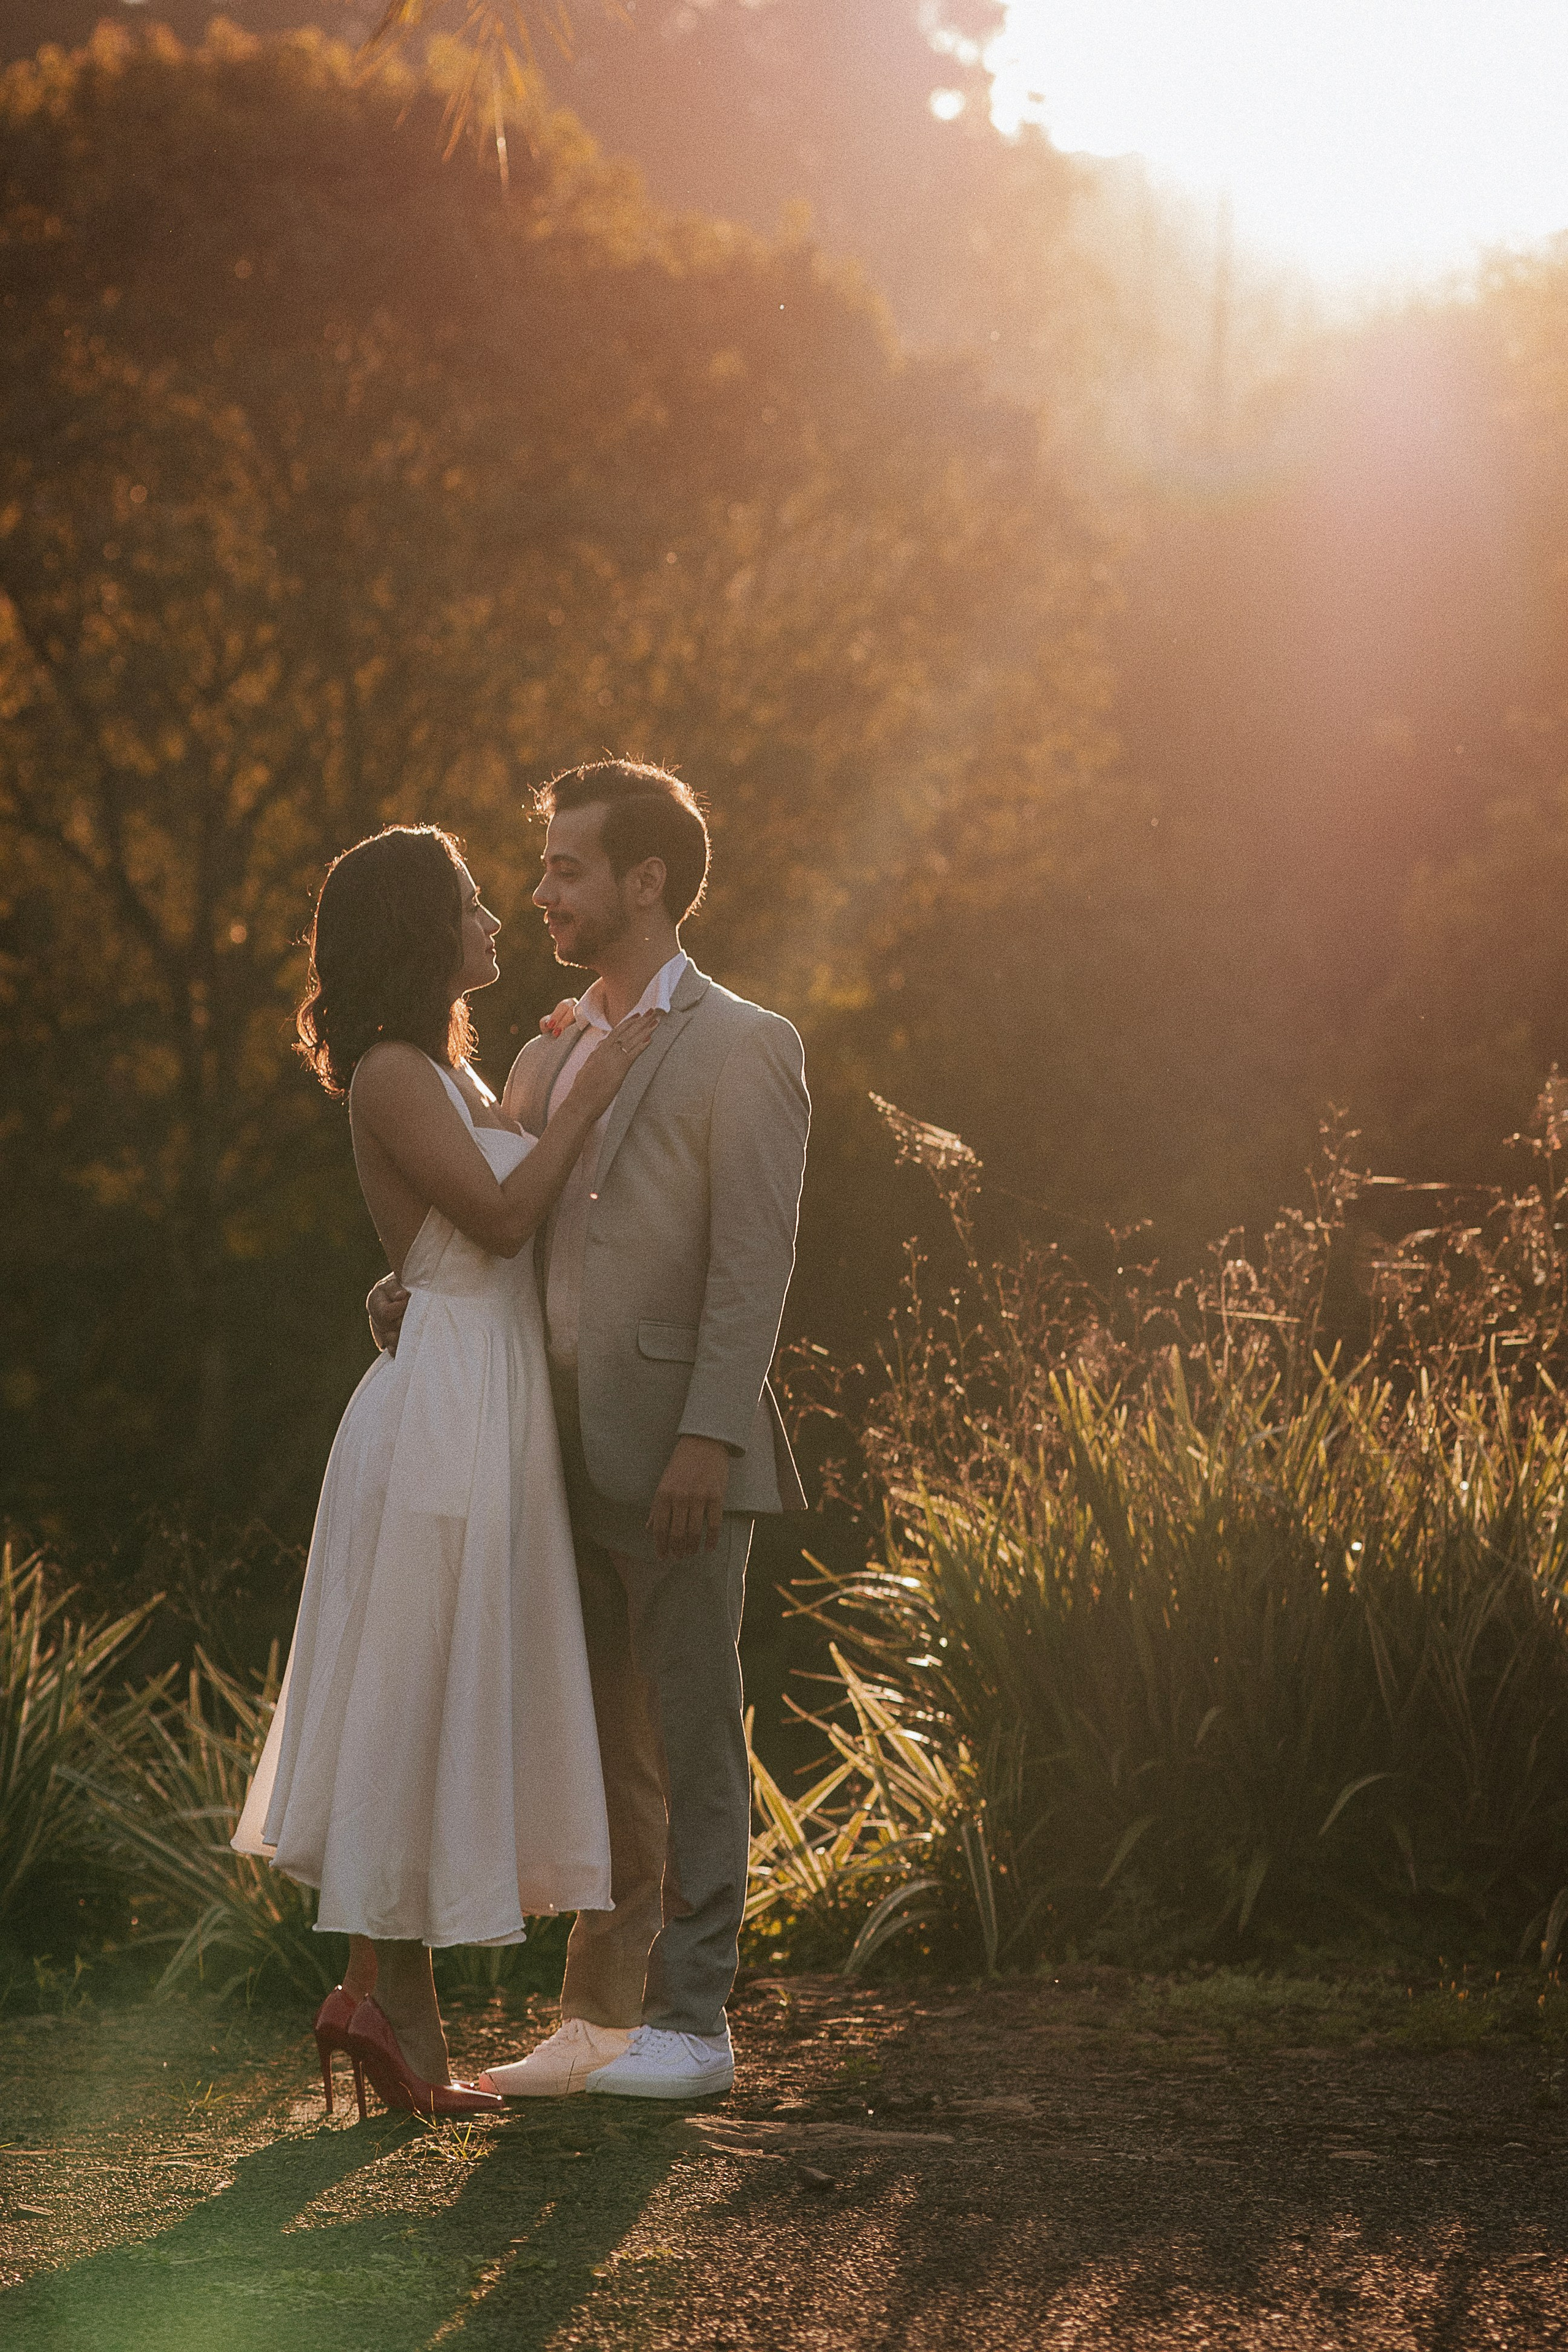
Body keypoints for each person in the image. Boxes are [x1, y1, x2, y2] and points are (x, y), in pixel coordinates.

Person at [369, 761, 810, 2100]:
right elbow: (496, 1219)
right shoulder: (546, 1047)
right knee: (600, 1737)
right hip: (550, 1446)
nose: (541, 893)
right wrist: (402, 1283)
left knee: (692, 1725)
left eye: (566, 869)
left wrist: (707, 1437)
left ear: (645, 882)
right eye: (543, 868)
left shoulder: (747, 1043)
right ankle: (600, 2017)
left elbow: (752, 1267)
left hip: (679, 1449)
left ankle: (695, 2023)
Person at [233, 822, 661, 2119]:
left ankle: (385, 2006)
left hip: (482, 1390)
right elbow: (499, 1217)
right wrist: (593, 1081)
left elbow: (462, 1219)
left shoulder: (444, 1071)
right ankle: (388, 2004)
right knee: (411, 1696)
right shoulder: (387, 1071)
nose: (499, 915)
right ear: (424, 932)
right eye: (474, 901)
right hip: (440, 1418)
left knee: (427, 1695)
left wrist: (549, 1065)